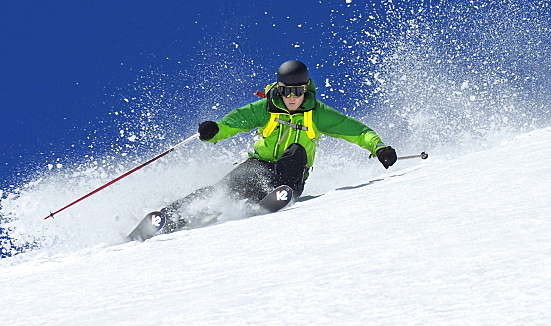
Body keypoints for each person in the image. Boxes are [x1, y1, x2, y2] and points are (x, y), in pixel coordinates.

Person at [130, 60, 397, 238]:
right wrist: (213, 132)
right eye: (286, 91)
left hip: (289, 174)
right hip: (259, 166)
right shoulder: (265, 108)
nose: (292, 97)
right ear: (279, 90)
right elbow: (232, 124)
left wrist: (380, 148)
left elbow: (357, 131)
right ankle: (168, 218)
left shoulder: (317, 114)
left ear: (306, 90)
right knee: (221, 191)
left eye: (297, 91)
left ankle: (280, 194)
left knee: (295, 151)